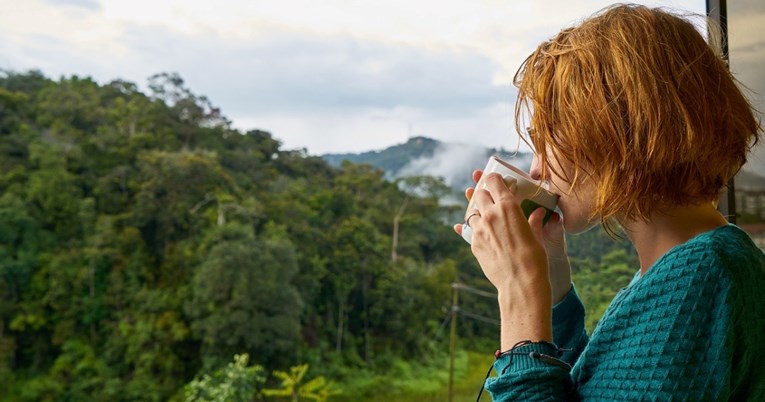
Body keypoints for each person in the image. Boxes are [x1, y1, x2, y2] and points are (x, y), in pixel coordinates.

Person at [454, 4, 765, 401]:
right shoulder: (690, 265)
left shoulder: (700, 278)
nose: (535, 169)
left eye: (547, 139)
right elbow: (597, 390)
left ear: (614, 132)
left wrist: (519, 295)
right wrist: (554, 286)